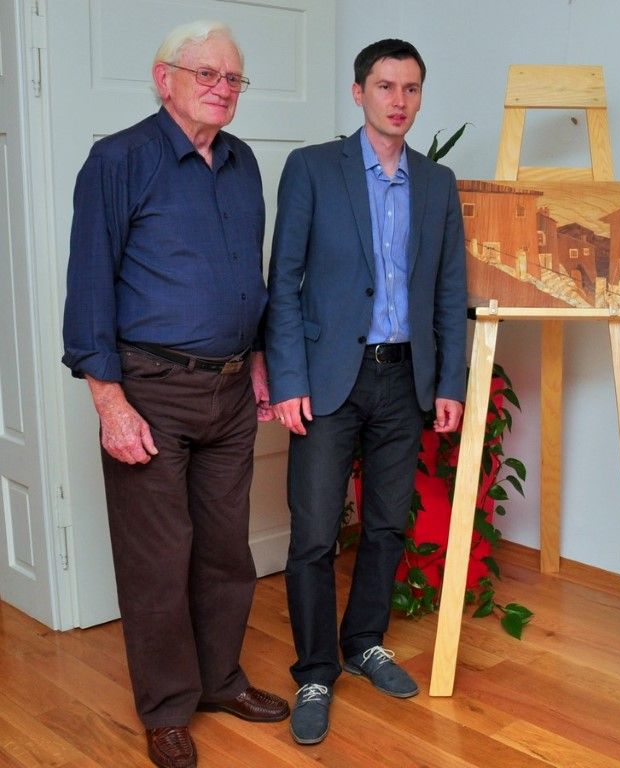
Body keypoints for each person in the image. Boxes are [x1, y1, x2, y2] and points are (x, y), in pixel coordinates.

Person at [61, 20, 289, 768]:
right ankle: (165, 708)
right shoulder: (118, 160)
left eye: (233, 78)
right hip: (150, 390)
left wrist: (259, 359)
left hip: (231, 389)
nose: (222, 88)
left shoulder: (243, 162)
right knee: (158, 561)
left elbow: (249, 276)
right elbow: (89, 288)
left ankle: (220, 681)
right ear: (166, 80)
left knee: (225, 551)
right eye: (207, 74)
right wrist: (109, 403)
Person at [264, 38, 467, 746]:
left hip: (404, 379)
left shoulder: (437, 183)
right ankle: (316, 671)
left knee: (384, 525)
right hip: (327, 381)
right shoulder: (313, 169)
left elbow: (449, 291)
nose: (399, 101)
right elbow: (283, 282)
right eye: (385, 86)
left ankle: (365, 643)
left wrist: (449, 381)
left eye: (411, 88)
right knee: (315, 533)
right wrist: (288, 378)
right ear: (359, 93)